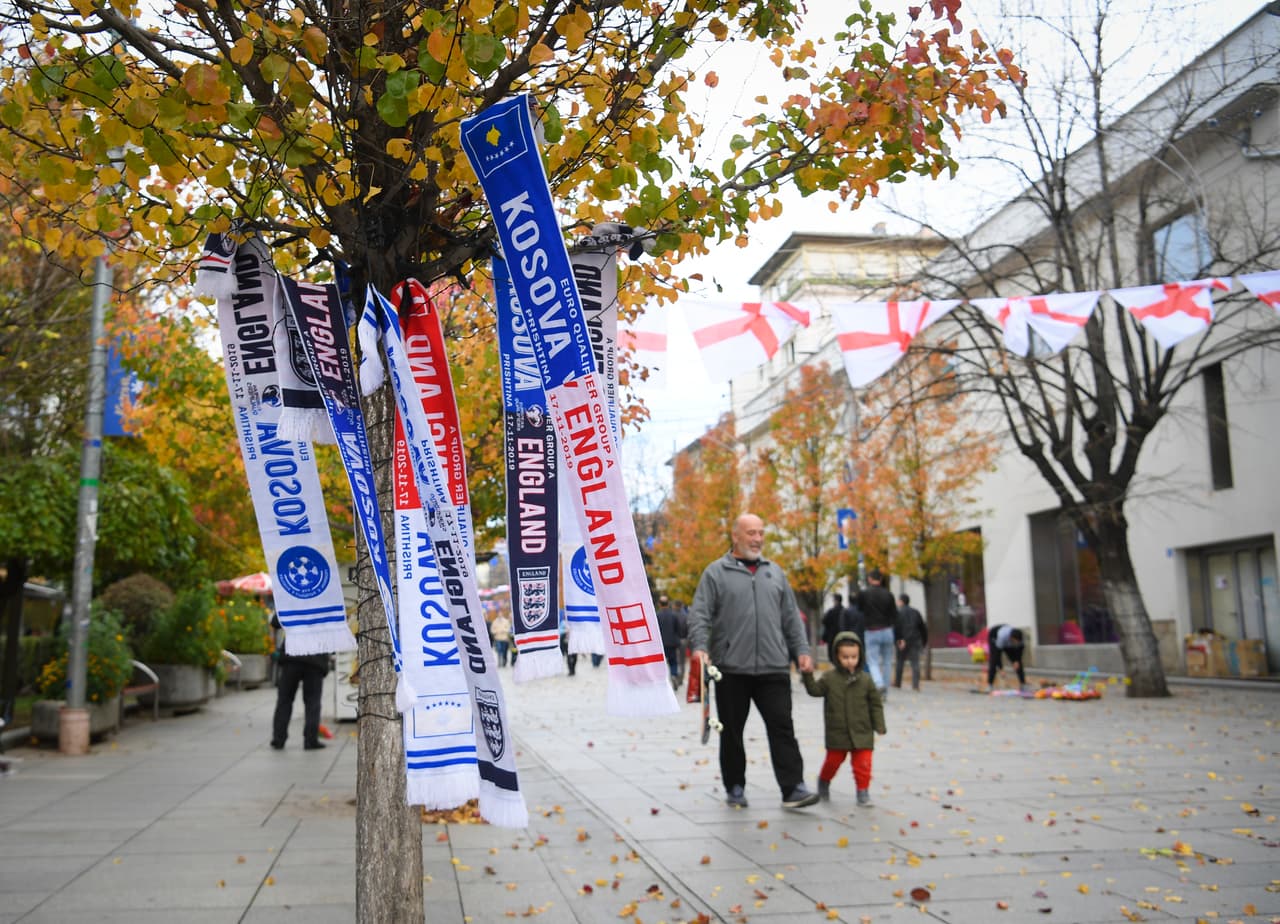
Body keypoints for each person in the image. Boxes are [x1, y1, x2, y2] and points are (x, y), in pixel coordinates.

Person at [688, 512, 820, 810]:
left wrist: (802, 651)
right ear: (735, 535)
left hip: (774, 667)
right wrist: (699, 646)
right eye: (751, 533)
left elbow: (791, 618)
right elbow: (700, 615)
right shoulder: (715, 573)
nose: (758, 538)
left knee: (783, 727)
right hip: (731, 669)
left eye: (761, 532)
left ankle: (793, 788)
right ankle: (735, 786)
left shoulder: (775, 572)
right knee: (732, 733)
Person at [801, 632, 885, 805]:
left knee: (863, 764)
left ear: (859, 656)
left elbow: (875, 704)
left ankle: (863, 792)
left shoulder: (866, 680)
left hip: (862, 730)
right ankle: (824, 781)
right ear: (836, 657)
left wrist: (879, 725)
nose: (850, 661)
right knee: (833, 761)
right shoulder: (829, 678)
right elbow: (815, 691)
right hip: (838, 731)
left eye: (854, 657)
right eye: (845, 657)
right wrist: (808, 675)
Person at [271, 618, 331, 751]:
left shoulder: (291, 597)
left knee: (284, 700)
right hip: (315, 657)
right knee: (313, 702)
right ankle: (310, 740)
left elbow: (275, 622)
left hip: (292, 655)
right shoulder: (321, 598)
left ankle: (278, 739)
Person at [855, 569, 898, 698]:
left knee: (873, 661)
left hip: (872, 630)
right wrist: (899, 636)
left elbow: (859, 608)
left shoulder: (864, 594)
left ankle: (879, 684)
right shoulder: (888, 594)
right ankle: (885, 689)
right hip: (887, 630)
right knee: (887, 661)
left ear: (870, 579)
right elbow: (895, 615)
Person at [894, 593, 928, 691]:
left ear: (901, 601)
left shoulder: (898, 613)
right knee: (915, 663)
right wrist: (924, 641)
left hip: (902, 640)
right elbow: (922, 627)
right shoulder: (916, 612)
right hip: (914, 640)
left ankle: (897, 682)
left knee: (900, 662)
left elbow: (897, 627)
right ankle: (915, 685)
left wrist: (898, 640)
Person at [656, 594, 685, 688]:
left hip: (661, 643)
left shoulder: (657, 615)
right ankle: (673, 675)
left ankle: (662, 680)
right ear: (668, 604)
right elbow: (678, 629)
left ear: (659, 604)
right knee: (673, 662)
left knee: (661, 663)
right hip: (672, 643)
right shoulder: (673, 615)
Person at [986, 624, 1026, 690]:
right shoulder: (1002, 637)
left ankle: (1023, 684)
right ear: (1012, 638)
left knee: (1018, 663)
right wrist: (1001, 668)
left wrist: (1017, 661)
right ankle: (990, 684)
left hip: (1007, 642)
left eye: (1017, 643)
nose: (1016, 644)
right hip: (994, 637)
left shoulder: (1020, 639)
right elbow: (997, 655)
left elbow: (1020, 650)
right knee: (993, 661)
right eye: (1015, 642)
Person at [820, 593, 844, 662]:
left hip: (832, 634)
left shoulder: (831, 611)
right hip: (841, 634)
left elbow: (824, 621)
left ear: (835, 601)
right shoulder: (844, 610)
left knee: (832, 652)